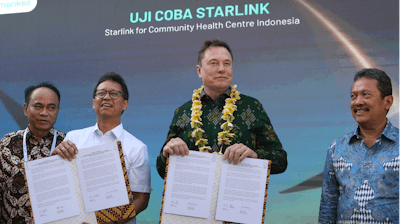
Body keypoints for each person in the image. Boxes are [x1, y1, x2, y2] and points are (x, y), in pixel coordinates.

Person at [156, 39, 287, 178]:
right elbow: (161, 168)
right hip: (195, 195)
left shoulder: (252, 107)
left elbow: (280, 160)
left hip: (238, 194)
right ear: (199, 70)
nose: (221, 69)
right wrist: (166, 155)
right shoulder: (183, 112)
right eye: (214, 63)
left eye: (227, 63)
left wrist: (255, 155)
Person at [52, 72, 150, 224]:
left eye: (114, 94)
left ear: (125, 104)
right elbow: (58, 184)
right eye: (101, 93)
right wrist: (54, 160)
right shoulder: (73, 138)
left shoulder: (136, 148)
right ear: (93, 102)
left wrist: (111, 222)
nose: (106, 97)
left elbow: (141, 199)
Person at [319, 68, 399, 223]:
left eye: (365, 94)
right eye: (353, 96)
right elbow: (328, 207)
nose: (357, 102)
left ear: (388, 101)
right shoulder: (337, 148)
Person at [0, 83, 65, 224]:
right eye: (38, 106)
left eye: (51, 107)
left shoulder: (70, 144)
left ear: (58, 111)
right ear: (25, 109)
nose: (44, 113)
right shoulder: (5, 145)